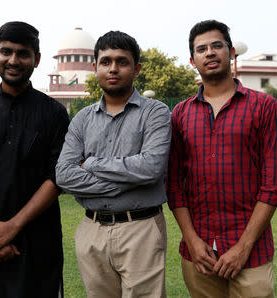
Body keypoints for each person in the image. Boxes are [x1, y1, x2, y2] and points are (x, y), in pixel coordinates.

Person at [167, 20, 277, 297]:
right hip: (198, 256)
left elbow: (274, 186)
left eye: (216, 46)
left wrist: (243, 247)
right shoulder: (181, 114)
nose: (209, 53)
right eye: (201, 49)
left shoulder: (263, 106)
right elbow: (174, 185)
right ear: (192, 60)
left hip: (251, 253)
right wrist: (192, 241)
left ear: (231, 52)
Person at [0, 21, 69, 297]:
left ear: (37, 59)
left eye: (23, 53)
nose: (13, 60)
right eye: (6, 51)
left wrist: (12, 227)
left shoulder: (54, 114)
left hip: (37, 242)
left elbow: (57, 176)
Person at [55, 31, 171, 298]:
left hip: (140, 228)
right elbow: (64, 175)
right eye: (106, 61)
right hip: (91, 231)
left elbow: (151, 168)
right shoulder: (82, 119)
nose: (113, 68)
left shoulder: (155, 112)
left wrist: (91, 163)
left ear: (137, 68)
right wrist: (129, 180)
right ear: (95, 67)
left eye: (122, 61)